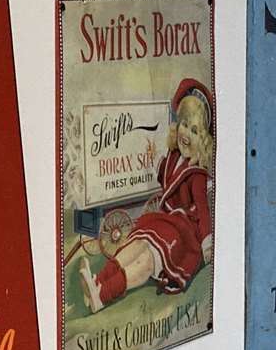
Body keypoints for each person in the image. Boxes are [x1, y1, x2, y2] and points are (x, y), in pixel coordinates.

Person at [80, 79, 214, 311]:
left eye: (194, 130)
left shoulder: (198, 175)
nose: (186, 134)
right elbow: (164, 178)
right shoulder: (173, 157)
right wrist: (154, 161)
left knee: (146, 262)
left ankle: (103, 296)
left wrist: (207, 243)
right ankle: (97, 282)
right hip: (165, 223)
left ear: (202, 139)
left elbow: (202, 210)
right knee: (136, 245)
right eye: (184, 124)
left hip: (184, 236)